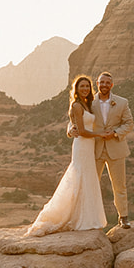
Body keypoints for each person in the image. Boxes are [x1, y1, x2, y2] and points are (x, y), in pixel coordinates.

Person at [25, 75, 108, 236]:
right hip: (82, 145)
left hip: (88, 146)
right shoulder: (77, 105)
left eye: (87, 86)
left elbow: (72, 124)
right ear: (76, 89)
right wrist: (101, 134)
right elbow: (82, 131)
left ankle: (86, 217)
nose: (84, 89)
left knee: (87, 178)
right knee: (80, 177)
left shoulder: (88, 104)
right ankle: (79, 219)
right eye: (81, 86)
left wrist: (70, 129)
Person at [89, 71, 133, 227]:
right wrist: (70, 130)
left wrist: (114, 133)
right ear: (97, 83)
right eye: (102, 82)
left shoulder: (122, 102)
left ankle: (123, 217)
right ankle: (90, 217)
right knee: (92, 185)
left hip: (116, 149)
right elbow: (75, 117)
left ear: (112, 85)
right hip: (95, 150)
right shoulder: (88, 102)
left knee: (119, 185)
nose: (104, 85)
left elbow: (129, 123)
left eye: (107, 83)